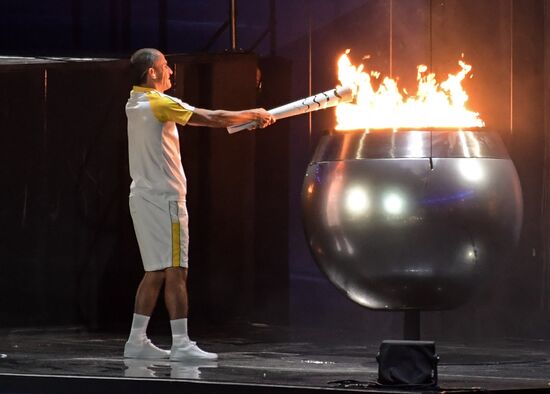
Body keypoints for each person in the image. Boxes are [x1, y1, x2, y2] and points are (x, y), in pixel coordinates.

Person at [123, 48, 275, 361]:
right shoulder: (158, 102)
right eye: (165, 67)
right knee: (176, 270)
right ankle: (181, 345)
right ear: (151, 72)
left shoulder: (134, 102)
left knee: (154, 271)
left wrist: (247, 120)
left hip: (142, 197)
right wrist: (253, 113)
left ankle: (136, 341)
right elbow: (211, 118)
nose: (170, 72)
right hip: (166, 199)